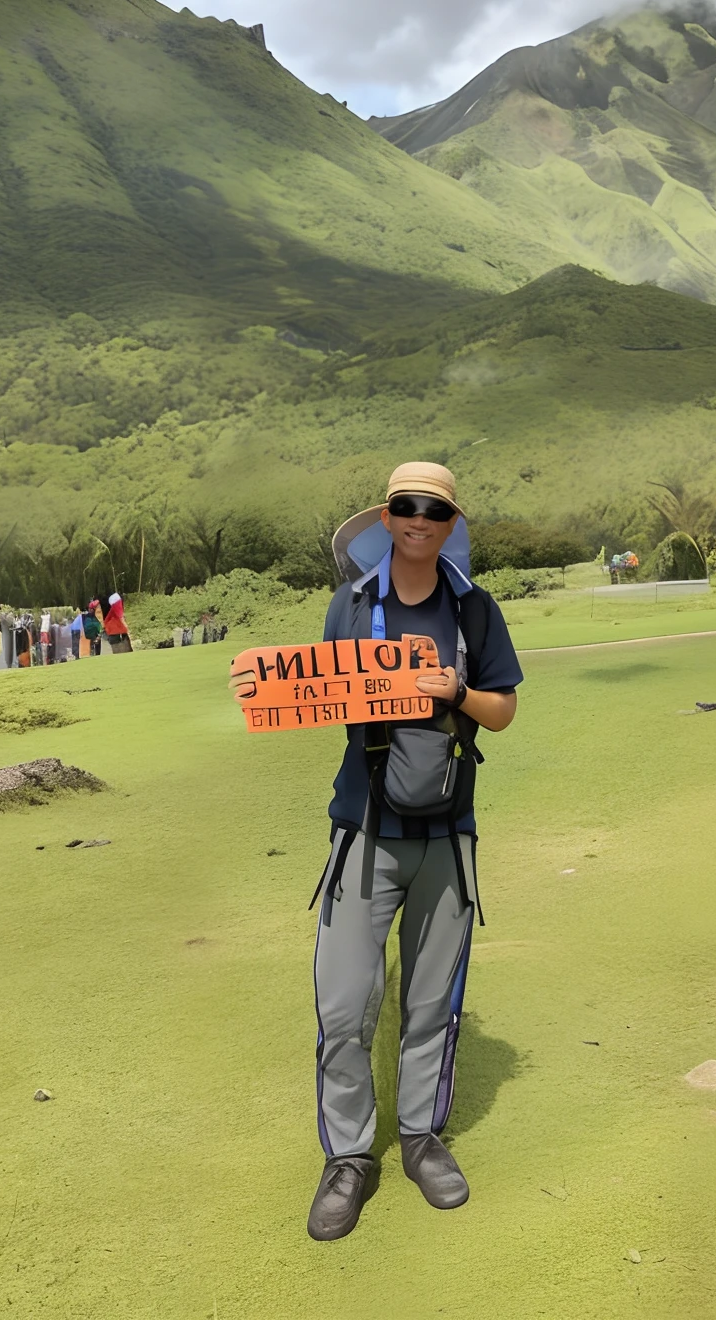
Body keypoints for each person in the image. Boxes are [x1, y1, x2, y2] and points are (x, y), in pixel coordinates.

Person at [307, 462, 523, 1242]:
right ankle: (350, 1158)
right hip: (364, 834)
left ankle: (422, 1139)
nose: (419, 519)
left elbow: (500, 710)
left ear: (447, 522)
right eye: (407, 506)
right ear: (388, 518)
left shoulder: (473, 611)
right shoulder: (350, 605)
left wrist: (452, 695)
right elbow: (315, 694)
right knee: (344, 1004)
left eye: (434, 509)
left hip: (445, 839)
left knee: (431, 1006)